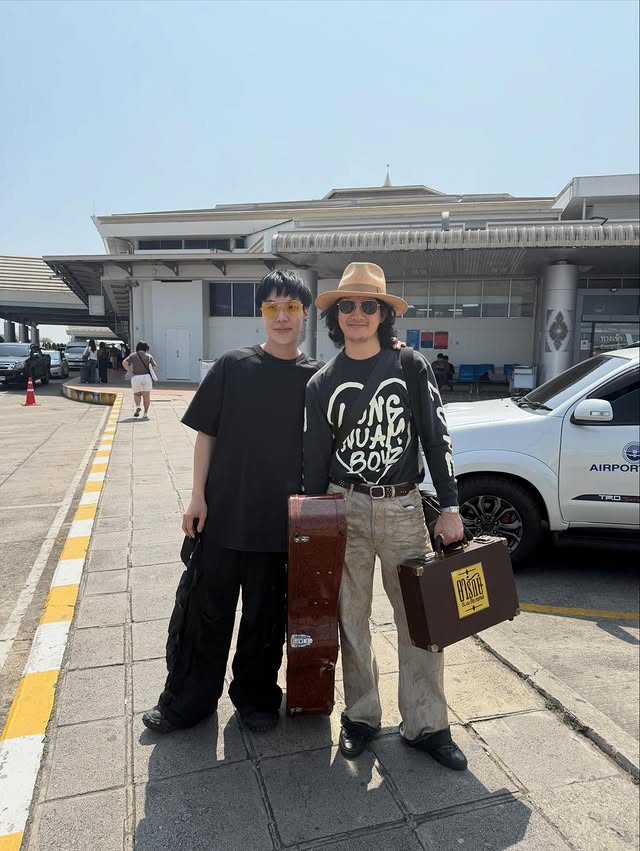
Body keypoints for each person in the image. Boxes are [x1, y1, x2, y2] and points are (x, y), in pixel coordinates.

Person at [303, 262, 468, 771]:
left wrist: (450, 506)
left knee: (420, 616)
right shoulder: (322, 382)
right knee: (350, 618)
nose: (357, 314)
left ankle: (427, 724)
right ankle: (360, 717)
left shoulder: (410, 365)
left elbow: (436, 437)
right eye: (347, 305)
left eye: (368, 305)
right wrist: (312, 522)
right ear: (335, 316)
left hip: (401, 506)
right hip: (344, 505)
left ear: (382, 314)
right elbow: (315, 459)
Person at [141, 270, 321, 736]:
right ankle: (188, 702)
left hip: (280, 525)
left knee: (265, 620)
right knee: (205, 614)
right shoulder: (233, 365)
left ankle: (256, 698)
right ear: (261, 312)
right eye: (272, 307)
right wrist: (196, 497)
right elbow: (207, 434)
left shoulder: (317, 378)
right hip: (223, 516)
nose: (281, 317)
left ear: (305, 313)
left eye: (291, 307)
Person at [123, 341, 158, 419]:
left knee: (137, 394)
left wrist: (131, 372)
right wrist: (150, 371)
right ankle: (145, 413)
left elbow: (124, 362)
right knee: (146, 396)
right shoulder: (149, 356)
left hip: (136, 377)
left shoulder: (133, 355)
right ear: (146, 348)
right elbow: (154, 367)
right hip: (147, 377)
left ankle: (138, 406)